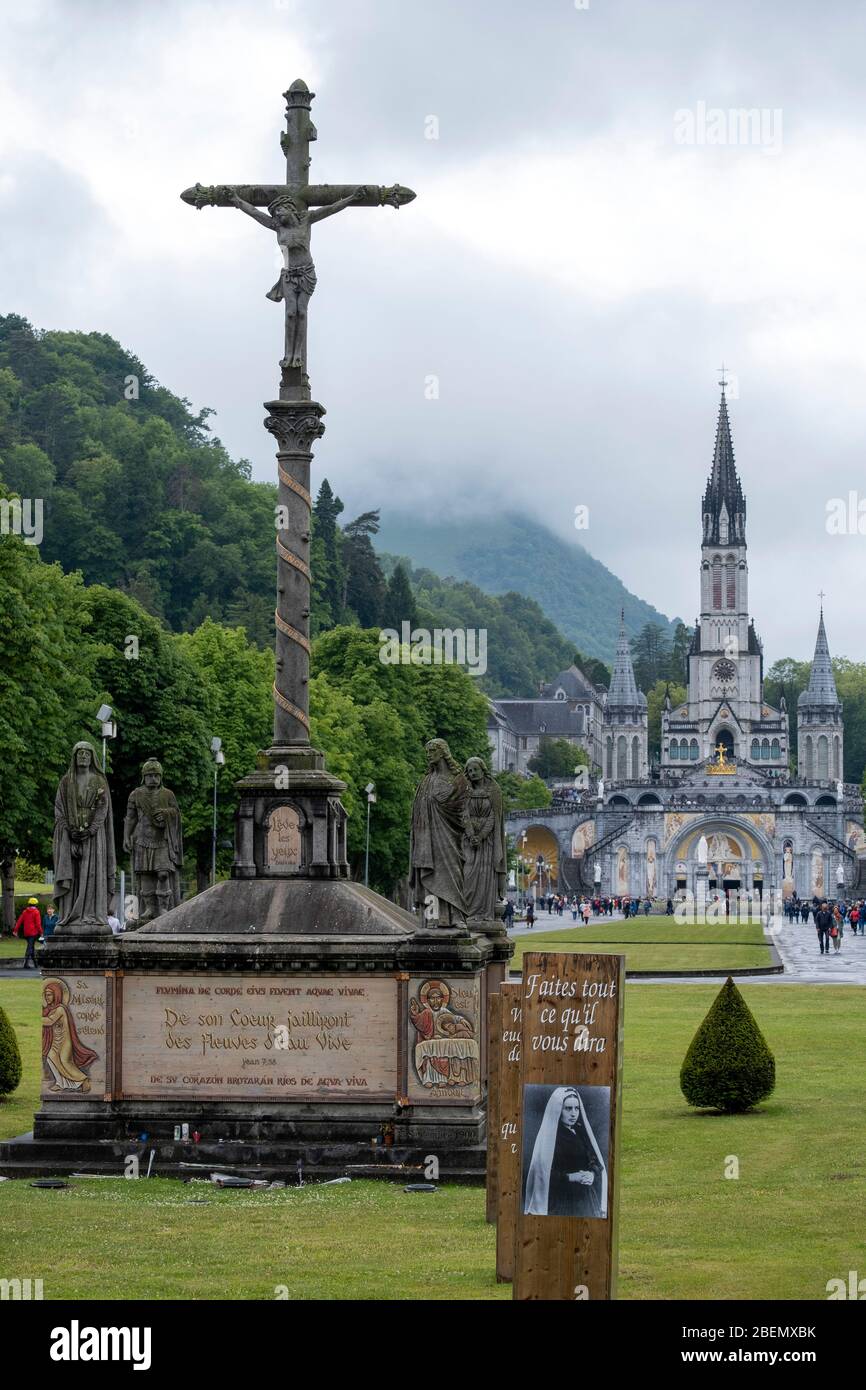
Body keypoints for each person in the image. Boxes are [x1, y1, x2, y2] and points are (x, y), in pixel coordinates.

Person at [524, 1087, 608, 1218]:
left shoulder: (581, 1131)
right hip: (562, 1200)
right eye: (568, 1109)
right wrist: (571, 1177)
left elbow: (594, 1160)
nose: (574, 1114)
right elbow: (543, 1175)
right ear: (558, 1110)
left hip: (587, 1199)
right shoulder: (550, 1138)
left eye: (576, 1108)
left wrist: (592, 1174)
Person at [14, 897, 42, 969]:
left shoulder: (25, 911)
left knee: (31, 946)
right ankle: (25, 963)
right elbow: (38, 924)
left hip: (26, 932)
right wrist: (41, 932)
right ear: (36, 904)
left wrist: (15, 930)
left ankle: (35, 964)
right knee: (30, 947)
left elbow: (19, 921)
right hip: (33, 932)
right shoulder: (36, 912)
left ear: (29, 904)